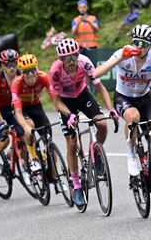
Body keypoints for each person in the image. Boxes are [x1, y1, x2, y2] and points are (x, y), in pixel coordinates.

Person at [93, 24, 151, 182]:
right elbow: (95, 74)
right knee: (133, 116)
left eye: (144, 44)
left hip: (144, 99)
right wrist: (120, 58)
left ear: (150, 45)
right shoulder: (122, 54)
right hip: (123, 97)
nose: (139, 46)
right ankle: (131, 154)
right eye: (136, 42)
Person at [49, 38, 118, 206]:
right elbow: (56, 101)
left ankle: (96, 154)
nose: (72, 61)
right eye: (67, 58)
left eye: (74, 56)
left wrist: (111, 109)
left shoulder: (85, 62)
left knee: (101, 123)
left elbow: (100, 87)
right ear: (61, 59)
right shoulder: (56, 71)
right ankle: (77, 185)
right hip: (66, 103)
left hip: (82, 95)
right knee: (71, 144)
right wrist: (69, 115)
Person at [0, 49, 25, 176]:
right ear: (3, 65)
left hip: (13, 108)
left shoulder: (21, 75)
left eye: (14, 63)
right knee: (4, 140)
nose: (12, 67)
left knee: (23, 136)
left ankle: (21, 163)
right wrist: (1, 122)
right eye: (8, 65)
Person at [12, 54, 52, 173]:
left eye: (33, 70)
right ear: (21, 72)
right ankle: (33, 158)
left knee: (48, 138)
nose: (30, 74)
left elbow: (55, 99)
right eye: (26, 71)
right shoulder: (17, 83)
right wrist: (25, 127)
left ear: (37, 68)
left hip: (36, 106)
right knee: (30, 126)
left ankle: (56, 181)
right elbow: (18, 112)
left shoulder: (44, 77)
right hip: (22, 109)